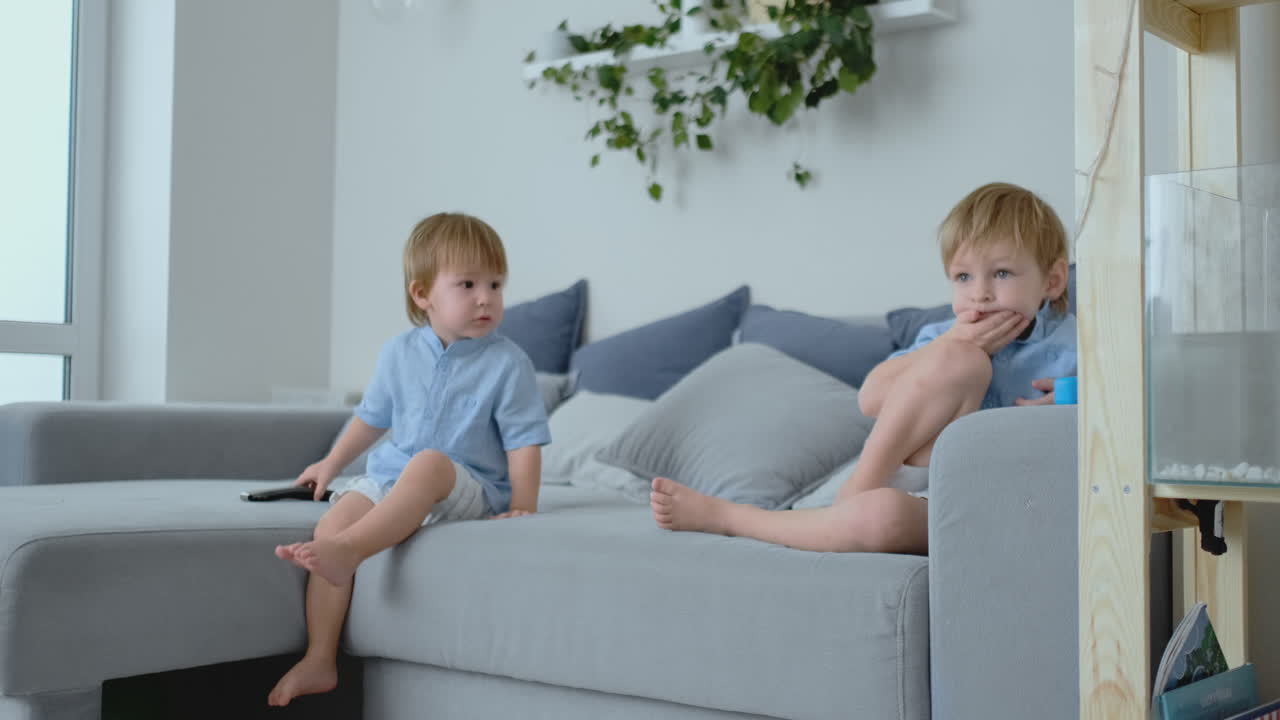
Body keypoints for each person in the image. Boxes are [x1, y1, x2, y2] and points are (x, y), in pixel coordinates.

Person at [649, 182, 1076, 555]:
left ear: (1053, 281)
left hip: (990, 503)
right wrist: (951, 344)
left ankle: (737, 518)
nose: (980, 294)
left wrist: (1075, 402)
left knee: (881, 520)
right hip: (919, 477)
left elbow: (1111, 414)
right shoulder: (944, 336)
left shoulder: (1080, 344)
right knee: (959, 364)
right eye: (963, 277)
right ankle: (847, 491)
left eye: (1001, 273)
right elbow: (871, 399)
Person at [268, 212, 550, 706]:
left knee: (428, 463)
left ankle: (351, 552)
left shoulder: (508, 362)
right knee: (330, 524)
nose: (486, 298)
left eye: (495, 284)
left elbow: (523, 442)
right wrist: (330, 464)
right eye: (468, 284)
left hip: (467, 487)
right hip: (393, 479)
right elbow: (371, 418)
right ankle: (319, 657)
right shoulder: (398, 352)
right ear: (422, 294)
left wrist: (523, 505)